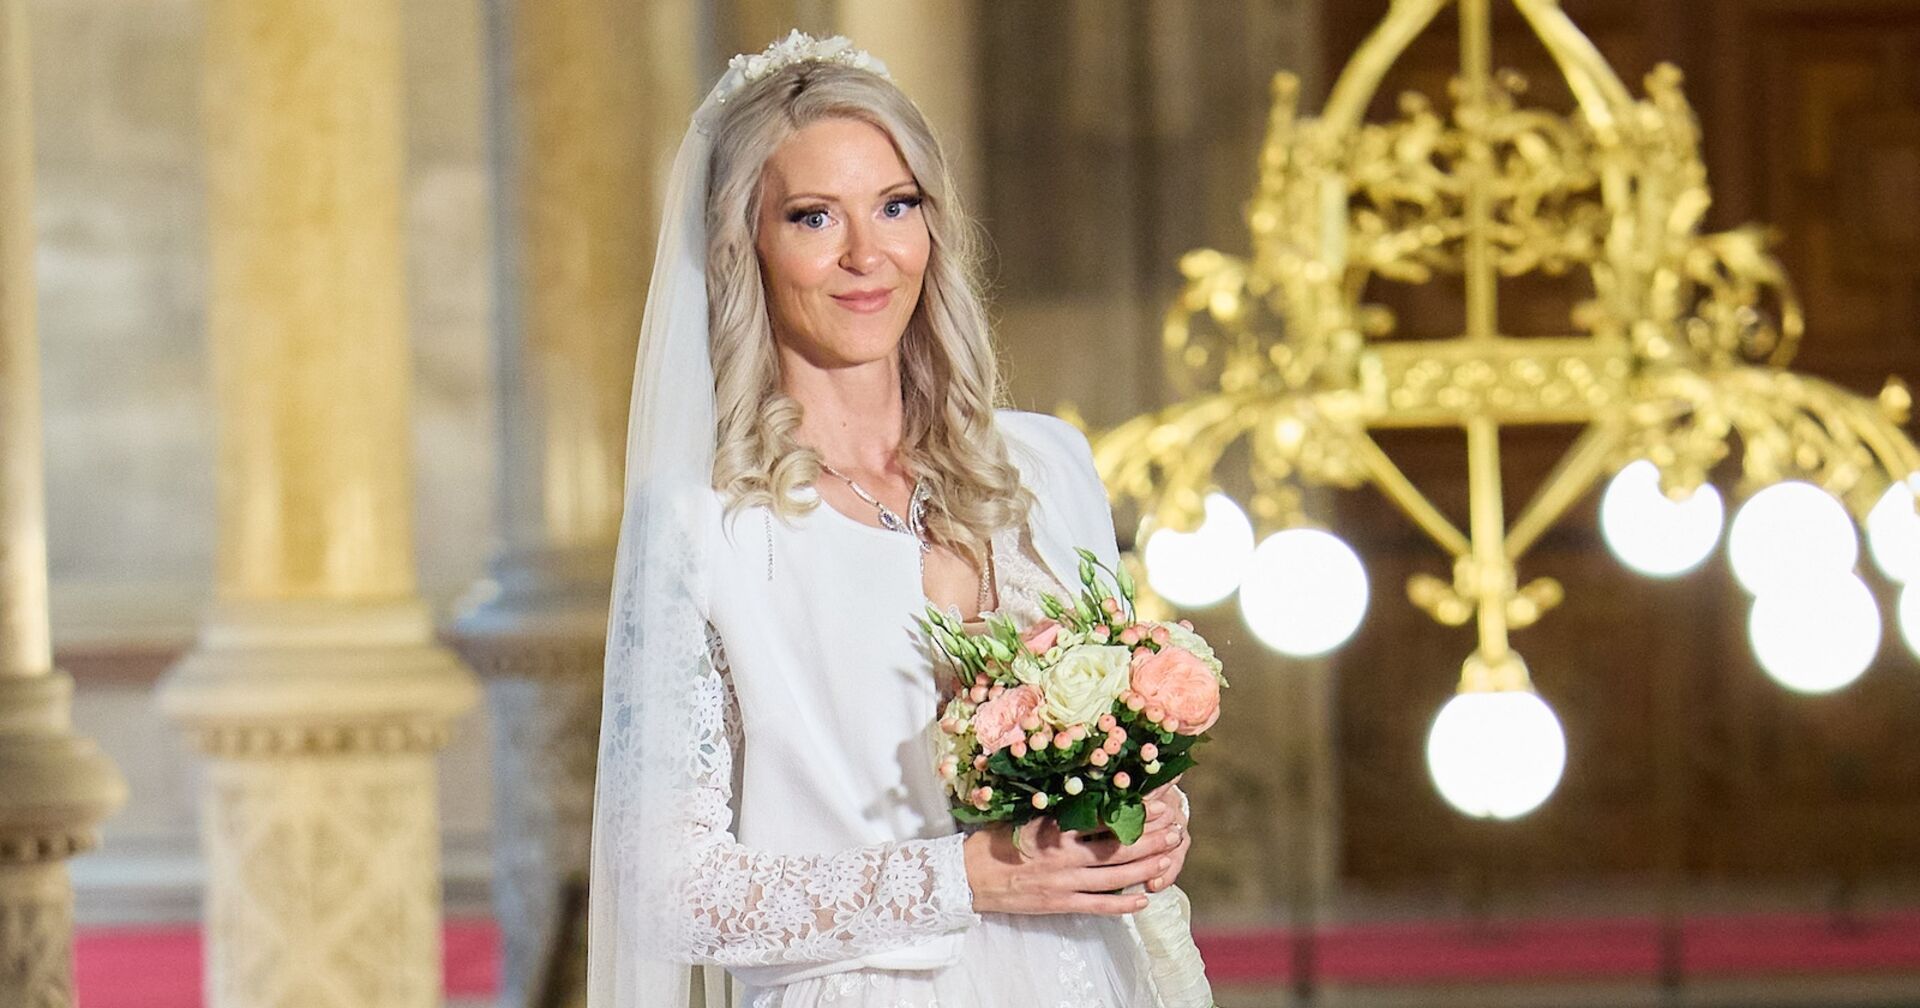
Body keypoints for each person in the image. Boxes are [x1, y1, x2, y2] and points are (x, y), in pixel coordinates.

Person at [589, 32, 1192, 1008]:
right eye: (813, 216)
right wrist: (964, 877)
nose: (868, 256)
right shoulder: (704, 525)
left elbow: (1108, 740)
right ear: (745, 248)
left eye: (896, 205)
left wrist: (1146, 813)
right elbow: (668, 894)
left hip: (1084, 980)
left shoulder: (1048, 467)